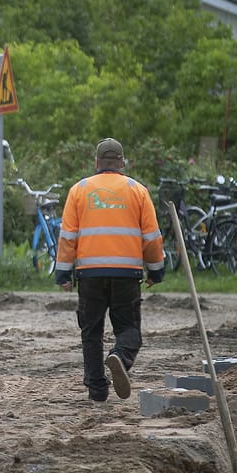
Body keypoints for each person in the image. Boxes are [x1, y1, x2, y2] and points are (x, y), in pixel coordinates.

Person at [54, 138, 165, 402]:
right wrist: (156, 270)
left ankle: (97, 389)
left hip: (89, 274)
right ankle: (120, 356)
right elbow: (151, 237)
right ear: (122, 163)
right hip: (127, 274)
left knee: (90, 332)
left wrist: (63, 273)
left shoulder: (79, 190)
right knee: (129, 329)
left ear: (96, 163)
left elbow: (68, 237)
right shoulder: (137, 190)